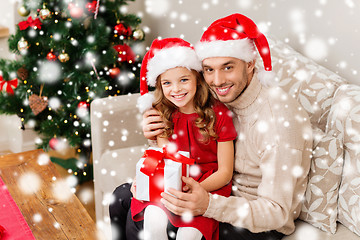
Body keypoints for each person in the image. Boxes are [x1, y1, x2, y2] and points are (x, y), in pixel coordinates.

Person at [110, 13, 313, 240]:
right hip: (209, 186)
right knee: (120, 198)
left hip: (252, 219)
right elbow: (185, 140)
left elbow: (277, 213)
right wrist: (154, 145)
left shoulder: (277, 121)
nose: (217, 81)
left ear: (250, 64)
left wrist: (207, 205)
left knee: (148, 225)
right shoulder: (215, 98)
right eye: (209, 69)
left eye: (228, 67)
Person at [115, 38, 237, 240]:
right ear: (160, 86)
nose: (176, 89)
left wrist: (195, 189)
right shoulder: (163, 113)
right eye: (167, 83)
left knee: (189, 235)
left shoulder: (220, 115)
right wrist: (146, 179)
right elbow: (166, 159)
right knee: (153, 221)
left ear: (197, 79)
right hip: (172, 182)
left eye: (183, 80)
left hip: (206, 186)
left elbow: (224, 172)